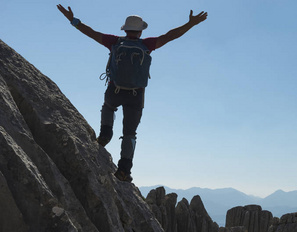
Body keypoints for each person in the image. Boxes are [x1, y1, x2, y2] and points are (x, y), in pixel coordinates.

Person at [57, 4, 207, 182]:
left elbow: (90, 32)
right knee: (130, 134)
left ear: (126, 29)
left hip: (115, 89)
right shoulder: (147, 44)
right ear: (140, 31)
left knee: (108, 107)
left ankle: (105, 135)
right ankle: (123, 171)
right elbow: (169, 36)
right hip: (136, 95)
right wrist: (190, 24)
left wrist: (73, 20)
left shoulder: (114, 42)